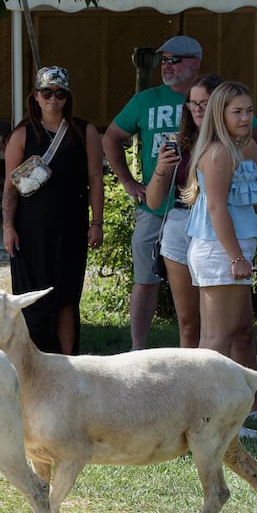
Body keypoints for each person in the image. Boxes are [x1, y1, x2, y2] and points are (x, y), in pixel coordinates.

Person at [180, 80, 257, 435]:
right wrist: (236, 258)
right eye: (237, 112)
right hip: (221, 251)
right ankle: (206, 421)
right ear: (221, 114)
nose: (246, 117)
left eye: (249, 110)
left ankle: (242, 409)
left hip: (234, 249)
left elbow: (256, 203)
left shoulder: (243, 149)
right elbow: (217, 208)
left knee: (235, 330)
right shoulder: (218, 152)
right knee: (217, 338)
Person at [103, 34, 203, 349]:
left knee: (202, 282)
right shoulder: (146, 100)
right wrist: (129, 182)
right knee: (145, 281)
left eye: (175, 60)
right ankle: (137, 350)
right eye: (164, 60)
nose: (167, 66)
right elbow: (111, 138)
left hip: (199, 210)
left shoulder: (211, 96)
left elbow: (252, 130)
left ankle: (204, 349)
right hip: (154, 207)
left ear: (195, 62)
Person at [1, 66, 105, 354]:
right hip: (30, 229)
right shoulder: (21, 135)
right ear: (36, 96)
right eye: (46, 92)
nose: (53, 99)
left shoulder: (85, 132)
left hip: (70, 227)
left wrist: (97, 221)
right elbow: (10, 187)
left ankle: (69, 360)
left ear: (67, 97)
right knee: (30, 298)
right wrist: (8, 227)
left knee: (67, 297)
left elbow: (96, 178)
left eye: (59, 93)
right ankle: (33, 359)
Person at [145, 73, 222, 350]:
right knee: (189, 324)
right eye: (193, 103)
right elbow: (154, 202)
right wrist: (162, 168)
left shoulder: (232, 140)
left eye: (205, 103)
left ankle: (223, 387)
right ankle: (189, 390)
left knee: (219, 324)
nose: (199, 110)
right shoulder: (179, 141)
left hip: (217, 226)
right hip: (180, 223)